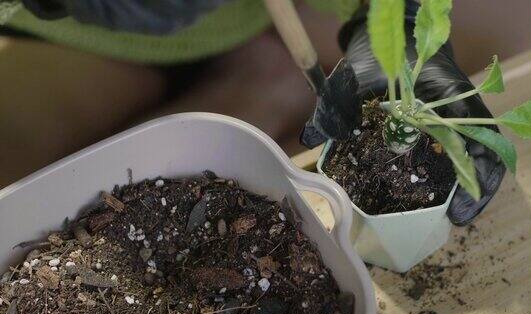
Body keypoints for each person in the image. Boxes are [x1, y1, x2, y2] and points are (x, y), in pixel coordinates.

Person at [0, 0, 504, 225]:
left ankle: (261, 82)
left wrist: (399, 17)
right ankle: (259, 83)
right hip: (88, 33)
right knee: (31, 204)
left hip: (273, 12)